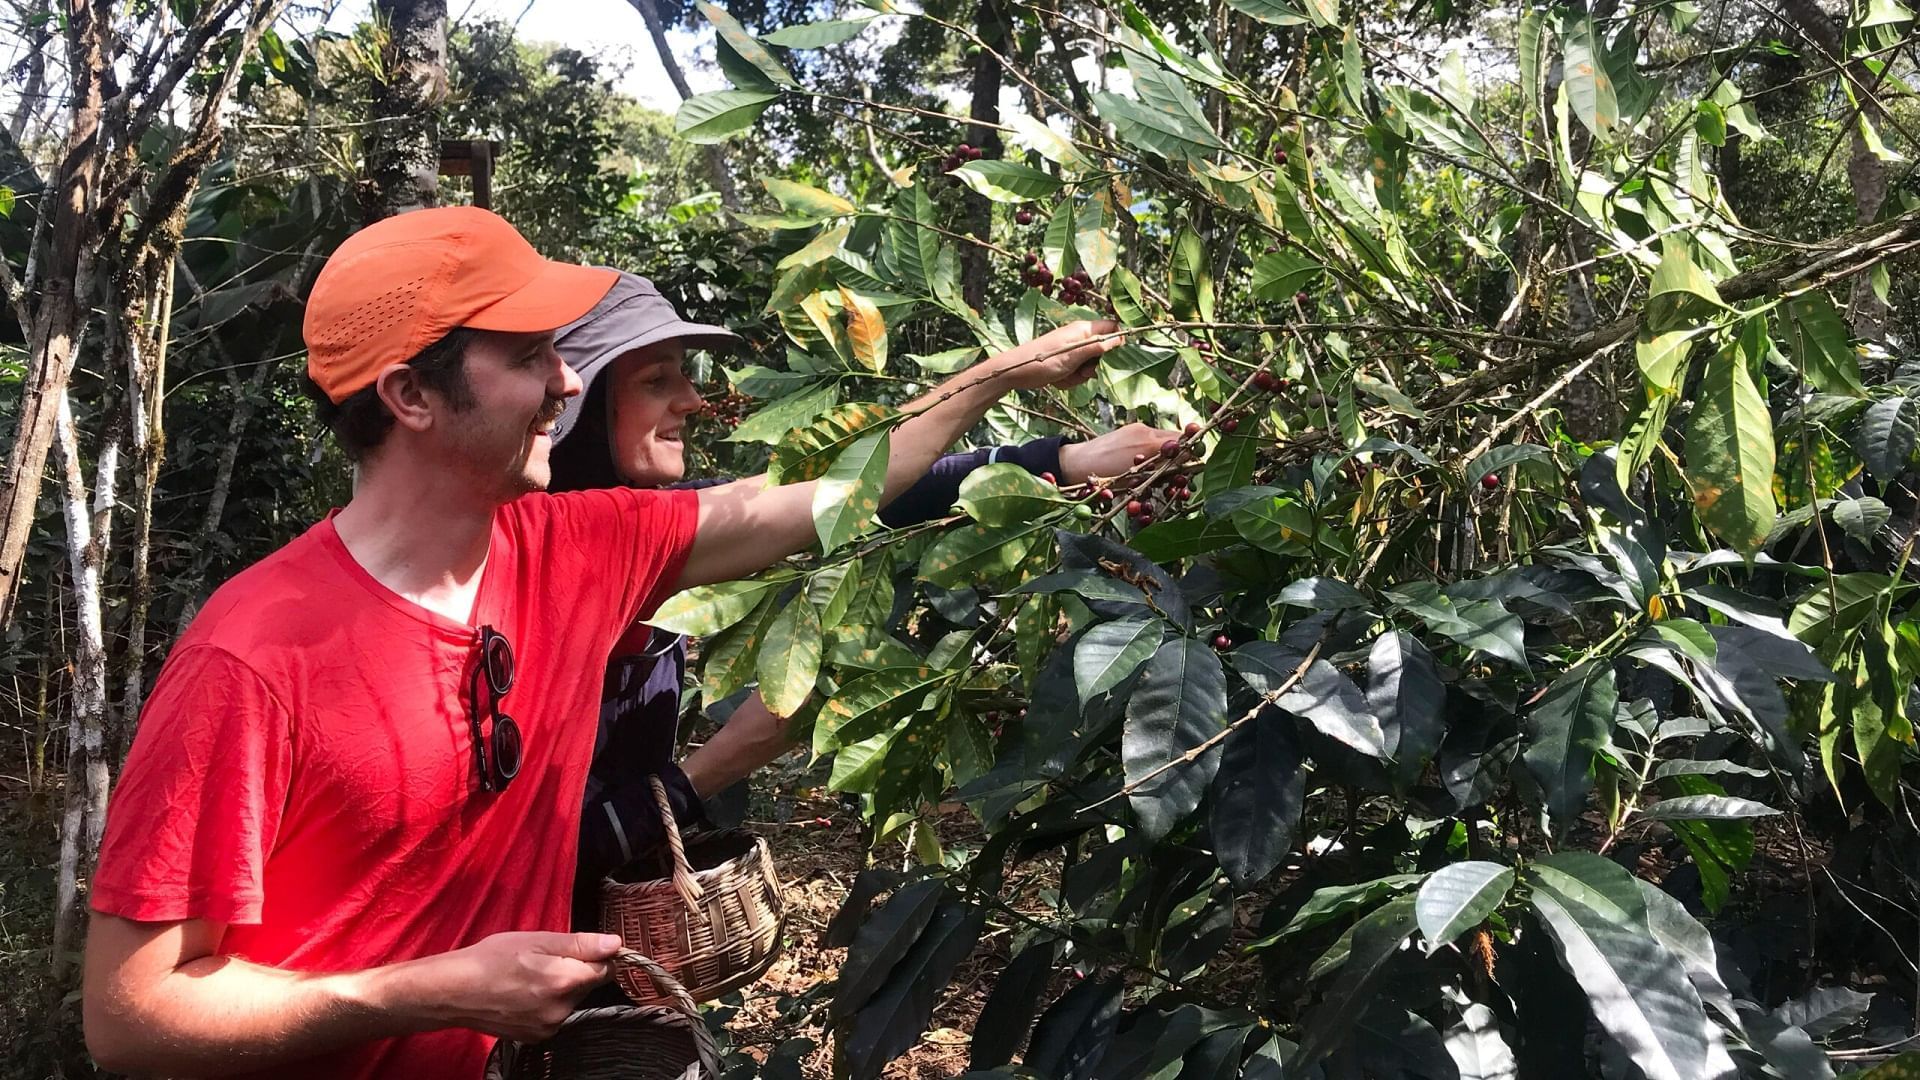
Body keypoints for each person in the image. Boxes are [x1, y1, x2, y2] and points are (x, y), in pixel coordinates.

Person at [79, 206, 1123, 1080]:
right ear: (408, 395)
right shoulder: (256, 656)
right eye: (531, 356)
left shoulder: (576, 547)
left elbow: (818, 498)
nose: (569, 383)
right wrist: (415, 993)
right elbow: (129, 1018)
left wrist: (1001, 380)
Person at [541, 272, 1177, 925]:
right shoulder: (553, 557)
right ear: (580, 405)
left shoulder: (642, 527)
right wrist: (721, 763)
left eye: (684, 375)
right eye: (656, 381)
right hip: (519, 952)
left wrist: (1065, 461)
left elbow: (860, 492)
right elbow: (536, 854)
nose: (693, 399)